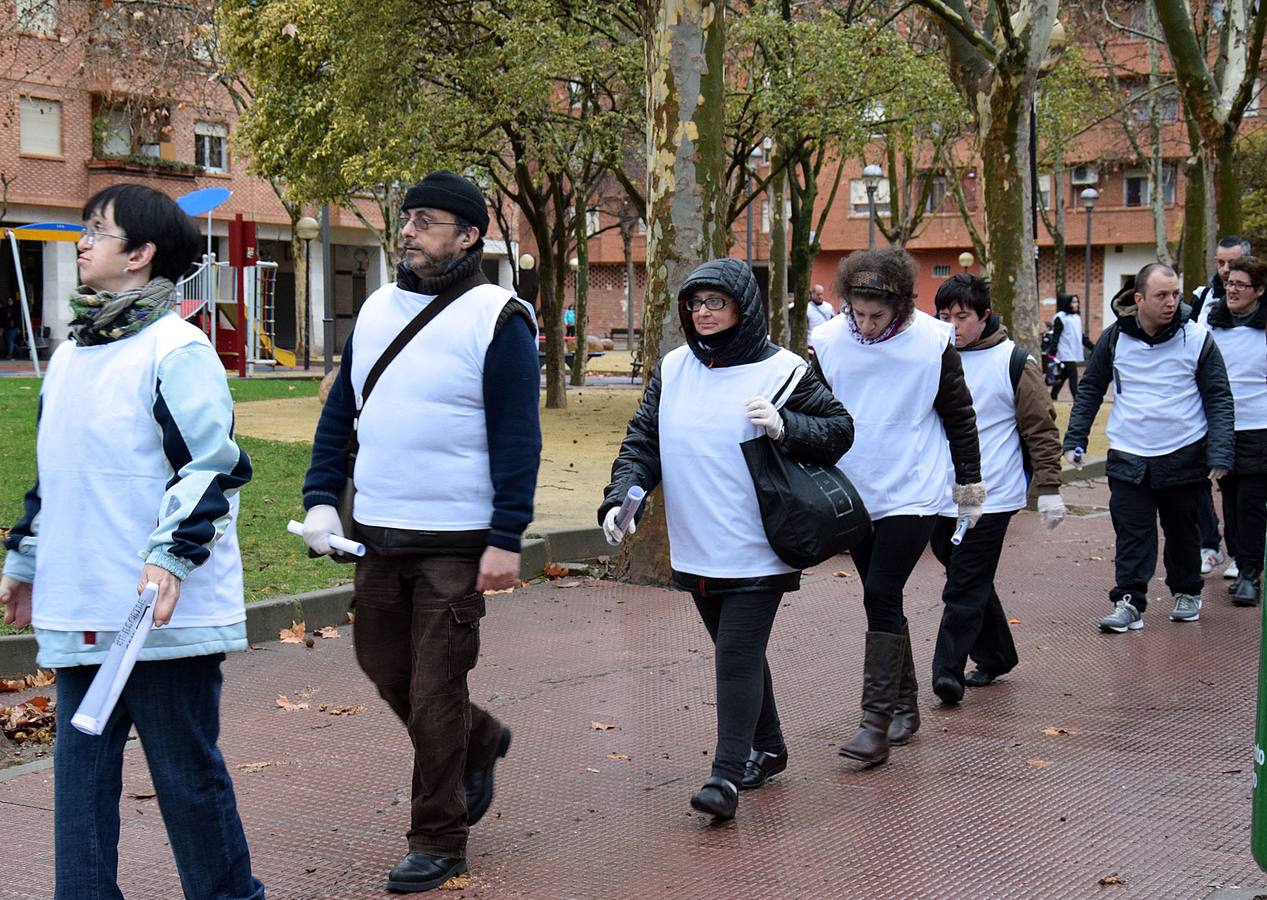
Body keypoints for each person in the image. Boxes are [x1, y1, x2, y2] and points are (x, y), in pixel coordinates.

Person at [0, 183, 263, 899]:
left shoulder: (177, 348)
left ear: (141, 255)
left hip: (159, 609)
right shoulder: (69, 356)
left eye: (98, 230)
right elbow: (56, 472)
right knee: (79, 782)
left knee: (185, 777)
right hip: (83, 599)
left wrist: (168, 556)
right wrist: (24, 559)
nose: (82, 242)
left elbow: (212, 464)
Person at [300, 171, 539, 894]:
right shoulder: (375, 309)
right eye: (406, 220)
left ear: (467, 236)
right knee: (384, 669)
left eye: (426, 221)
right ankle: (480, 739)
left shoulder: (501, 318)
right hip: (375, 535)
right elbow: (341, 413)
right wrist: (319, 500)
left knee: (435, 691)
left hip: (456, 543)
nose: (407, 231)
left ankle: (438, 839)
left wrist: (506, 536)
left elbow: (517, 438)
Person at [600, 258, 853, 821]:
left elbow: (840, 431)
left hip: (759, 543)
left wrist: (787, 426)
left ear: (743, 305)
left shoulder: (786, 370)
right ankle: (771, 747)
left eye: (716, 302)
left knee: (734, 658)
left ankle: (725, 777)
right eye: (695, 303)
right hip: (696, 544)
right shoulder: (672, 367)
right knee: (738, 652)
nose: (703, 312)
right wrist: (622, 495)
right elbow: (643, 442)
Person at [810, 247, 984, 765]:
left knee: (882, 591)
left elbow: (959, 416)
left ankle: (875, 723)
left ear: (904, 306)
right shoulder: (827, 341)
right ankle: (905, 705)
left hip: (914, 487)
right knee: (881, 596)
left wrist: (969, 488)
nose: (864, 324)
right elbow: (815, 415)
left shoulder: (933, 340)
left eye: (876, 315)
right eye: (856, 313)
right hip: (853, 491)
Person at [1063, 263, 1235, 632]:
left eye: (1175, 294)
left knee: (1182, 531)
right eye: (1162, 295)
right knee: (1132, 532)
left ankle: (1187, 591)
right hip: (1129, 453)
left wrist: (1220, 452)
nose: (1171, 302)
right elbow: (1091, 388)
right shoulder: (1114, 338)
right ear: (1139, 298)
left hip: (1184, 453)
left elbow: (1219, 396)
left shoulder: (1198, 338)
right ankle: (1129, 601)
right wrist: (1075, 438)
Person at [931, 275, 1065, 702]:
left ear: (984, 316)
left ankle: (946, 672)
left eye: (962, 316)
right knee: (965, 572)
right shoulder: (933, 355)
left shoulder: (1014, 362)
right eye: (945, 316)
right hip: (941, 490)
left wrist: (1049, 488)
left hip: (992, 492)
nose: (953, 325)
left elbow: (1040, 428)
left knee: (964, 583)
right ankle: (998, 655)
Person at [1205, 255, 1267, 606]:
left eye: (1241, 285)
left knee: (1251, 503)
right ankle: (1241, 563)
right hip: (1224, 428)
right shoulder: (1212, 322)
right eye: (1229, 283)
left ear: (1259, 290)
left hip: (1260, 427)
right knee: (1229, 500)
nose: (1232, 289)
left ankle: (1250, 575)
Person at [1193, 237, 1251, 577]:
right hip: (1203, 410)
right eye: (1220, 263)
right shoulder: (1203, 297)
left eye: (1232, 263)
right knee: (1196, 481)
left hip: (1246, 414)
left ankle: (1243, 555)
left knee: (1239, 490)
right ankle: (1209, 545)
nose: (1225, 271)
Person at [1047, 293, 1093, 400]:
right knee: (1073, 376)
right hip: (1064, 352)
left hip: (1072, 352)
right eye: (1073, 302)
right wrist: (1053, 353)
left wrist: (1092, 347)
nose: (1076, 304)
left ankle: (1053, 396)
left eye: (1077, 301)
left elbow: (1080, 336)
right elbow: (1056, 336)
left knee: (1063, 376)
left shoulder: (1076, 318)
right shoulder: (1061, 318)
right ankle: (1077, 399)